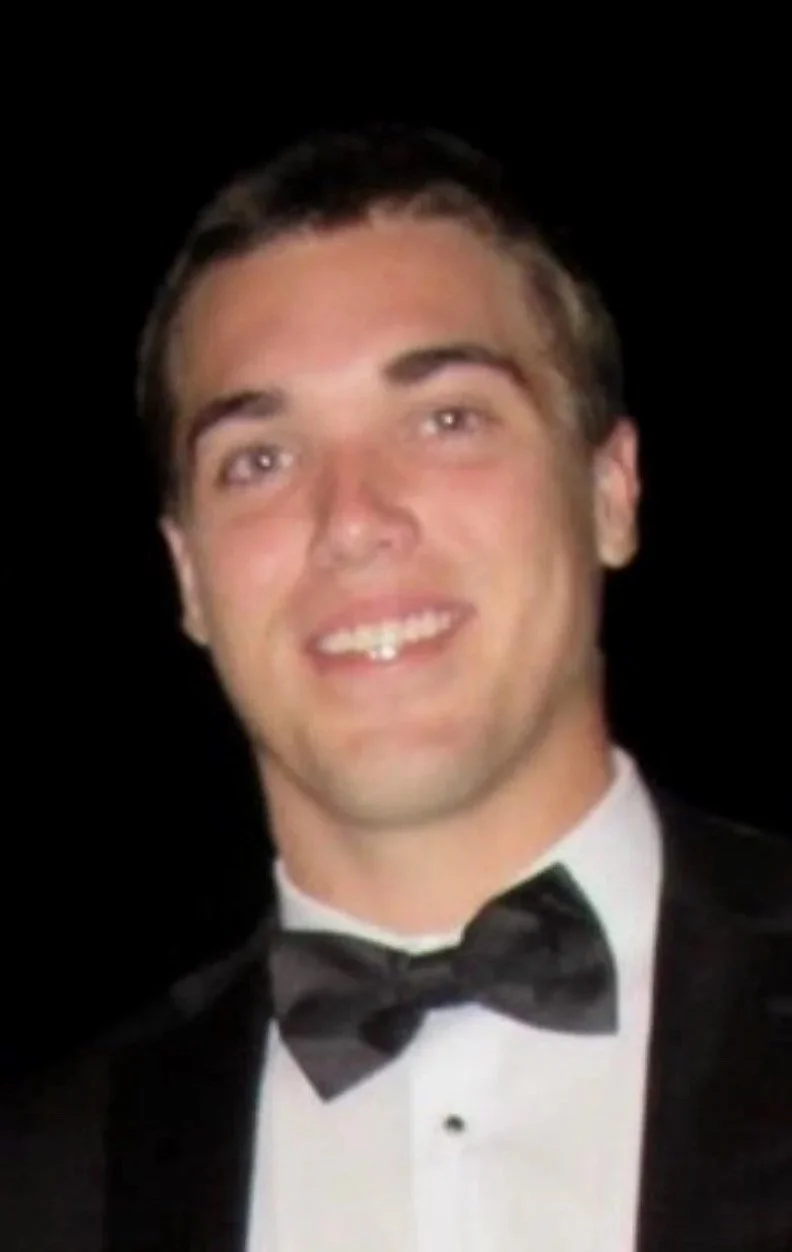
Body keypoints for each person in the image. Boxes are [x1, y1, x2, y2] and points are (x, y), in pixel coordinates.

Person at [2, 125, 790, 1252]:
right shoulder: (42, 1181)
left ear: (611, 488)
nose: (355, 520)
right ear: (187, 577)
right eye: (260, 460)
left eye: (447, 419)